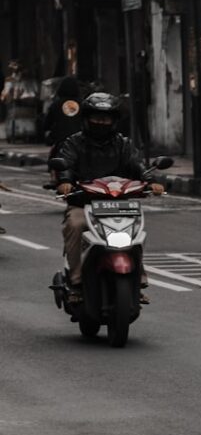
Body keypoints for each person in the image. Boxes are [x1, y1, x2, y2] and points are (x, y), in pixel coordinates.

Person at [55, 93, 165, 304]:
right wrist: (65, 181)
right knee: (75, 225)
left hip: (119, 204)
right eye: (96, 117)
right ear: (87, 119)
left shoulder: (123, 144)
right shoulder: (74, 142)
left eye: (105, 118)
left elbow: (137, 165)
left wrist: (151, 181)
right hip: (84, 203)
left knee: (136, 230)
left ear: (114, 121)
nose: (100, 122)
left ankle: (137, 280)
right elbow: (66, 164)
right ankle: (75, 282)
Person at [43, 76, 83, 183]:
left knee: (54, 156)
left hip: (61, 138)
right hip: (80, 138)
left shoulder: (56, 104)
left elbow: (47, 123)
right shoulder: (82, 104)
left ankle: (53, 177)